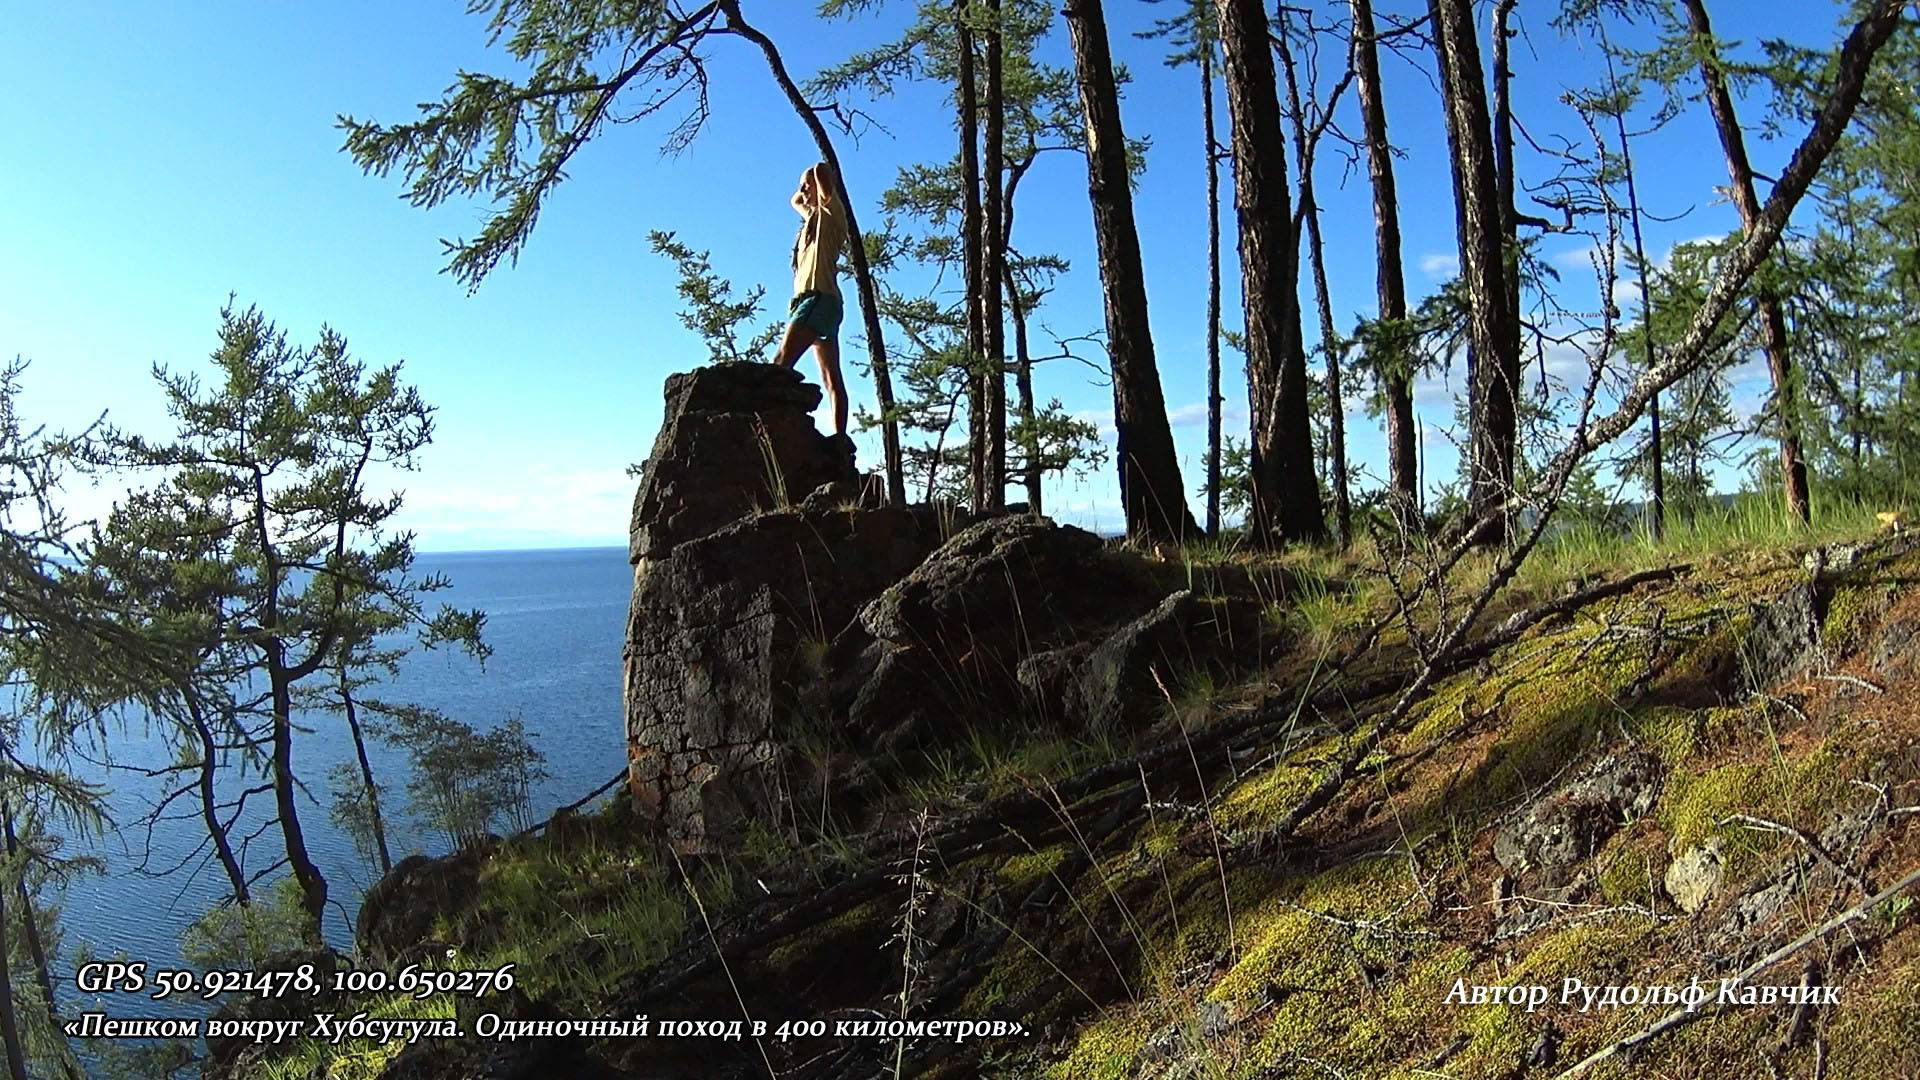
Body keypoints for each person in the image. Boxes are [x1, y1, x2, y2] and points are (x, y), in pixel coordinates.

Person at [771, 162, 850, 438]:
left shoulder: (832, 213)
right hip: (824, 304)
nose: (803, 190)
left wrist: (814, 175)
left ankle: (768, 420)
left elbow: (822, 170)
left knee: (780, 362)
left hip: (818, 299)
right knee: (831, 378)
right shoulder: (812, 219)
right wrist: (805, 190)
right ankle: (840, 438)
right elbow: (794, 199)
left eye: (807, 185)